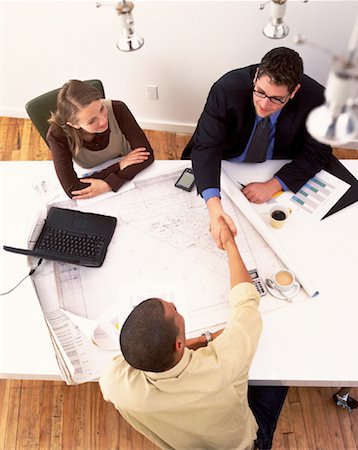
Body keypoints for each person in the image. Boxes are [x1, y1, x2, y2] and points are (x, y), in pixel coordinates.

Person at [99, 216, 288, 450]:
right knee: (281, 374)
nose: (173, 304)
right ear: (178, 345)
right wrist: (229, 244)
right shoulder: (221, 365)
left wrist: (202, 340)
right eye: (174, 310)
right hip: (245, 445)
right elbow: (247, 303)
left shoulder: (113, 383)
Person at [182, 47, 332, 248]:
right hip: (225, 162)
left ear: (294, 91)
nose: (264, 104)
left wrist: (275, 184)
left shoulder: (318, 100)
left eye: (277, 99)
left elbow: (318, 153)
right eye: (260, 92)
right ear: (256, 77)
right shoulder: (226, 89)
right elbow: (207, 146)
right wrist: (215, 207)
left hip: (274, 165)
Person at [47, 79, 154, 199]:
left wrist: (109, 184)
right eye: (92, 121)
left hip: (127, 157)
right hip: (118, 164)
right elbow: (73, 189)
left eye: (102, 109)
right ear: (74, 125)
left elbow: (147, 155)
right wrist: (119, 166)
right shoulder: (57, 135)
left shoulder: (118, 108)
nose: (103, 121)